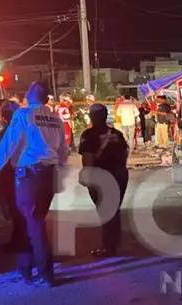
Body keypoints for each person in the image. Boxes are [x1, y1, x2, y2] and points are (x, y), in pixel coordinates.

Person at [0, 81, 69, 288]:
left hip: (29, 175)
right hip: (48, 174)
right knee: (32, 221)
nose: (25, 93)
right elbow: (63, 151)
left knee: (33, 223)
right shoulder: (55, 119)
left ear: (33, 95)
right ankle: (25, 267)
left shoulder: (23, 115)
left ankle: (45, 273)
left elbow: (7, 145)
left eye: (28, 90)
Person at [79, 104, 130, 257]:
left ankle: (109, 247)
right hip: (120, 174)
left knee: (105, 211)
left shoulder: (88, 135)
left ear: (92, 116)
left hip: (101, 176)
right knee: (114, 210)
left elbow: (87, 157)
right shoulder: (116, 133)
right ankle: (113, 245)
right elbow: (125, 153)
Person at [0, 101, 27, 254]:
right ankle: (19, 238)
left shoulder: (9, 131)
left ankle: (21, 242)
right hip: (23, 174)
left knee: (16, 208)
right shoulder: (25, 129)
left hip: (11, 175)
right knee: (19, 209)